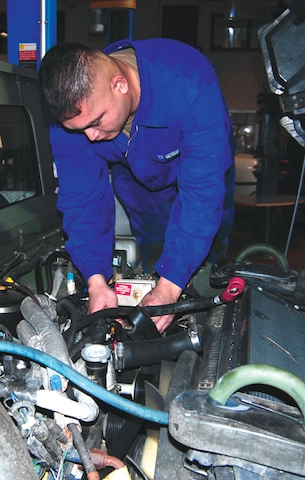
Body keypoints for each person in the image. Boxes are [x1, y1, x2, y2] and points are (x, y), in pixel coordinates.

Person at [39, 39, 235, 333]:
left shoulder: (190, 83)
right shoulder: (73, 117)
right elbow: (83, 199)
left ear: (120, 84)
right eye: (80, 130)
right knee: (154, 258)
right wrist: (96, 281)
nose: (90, 137)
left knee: (205, 270)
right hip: (137, 178)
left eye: (96, 122)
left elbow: (202, 195)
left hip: (203, 169)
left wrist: (170, 289)